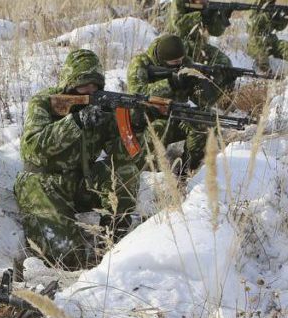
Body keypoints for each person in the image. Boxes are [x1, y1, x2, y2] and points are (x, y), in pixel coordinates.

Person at [15, 49, 141, 270]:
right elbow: (32, 148)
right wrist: (76, 121)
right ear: (69, 83)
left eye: (95, 86)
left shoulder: (103, 107)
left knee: (126, 174)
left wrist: (134, 125)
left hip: (82, 182)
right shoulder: (44, 102)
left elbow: (124, 157)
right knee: (66, 256)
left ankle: (112, 245)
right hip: (43, 184)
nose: (90, 91)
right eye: (83, 85)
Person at [126, 34, 213, 176]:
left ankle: (188, 172)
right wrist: (171, 83)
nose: (179, 65)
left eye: (181, 61)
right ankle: (151, 176)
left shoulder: (186, 64)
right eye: (174, 63)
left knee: (202, 124)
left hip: (174, 116)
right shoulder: (140, 64)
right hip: (146, 122)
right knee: (157, 129)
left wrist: (205, 85)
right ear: (161, 60)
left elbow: (203, 102)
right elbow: (137, 94)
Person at [166, 0, 235, 72]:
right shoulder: (179, 2)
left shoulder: (207, 5)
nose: (204, 1)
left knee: (225, 63)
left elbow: (215, 32)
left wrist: (223, 18)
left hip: (199, 47)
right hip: (177, 45)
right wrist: (200, 15)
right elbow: (177, 24)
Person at [246, 0, 288, 72]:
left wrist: (284, 17)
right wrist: (267, 15)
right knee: (262, 58)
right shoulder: (256, 5)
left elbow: (279, 27)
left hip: (270, 40)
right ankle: (265, 74)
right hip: (256, 42)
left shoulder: (272, 5)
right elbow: (250, 27)